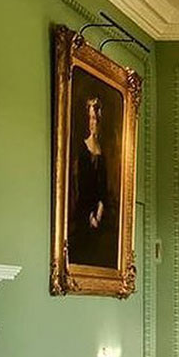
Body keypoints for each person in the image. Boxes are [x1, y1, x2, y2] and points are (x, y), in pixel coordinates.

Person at [68, 95, 115, 268]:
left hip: (99, 211)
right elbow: (82, 185)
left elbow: (103, 187)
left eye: (94, 118)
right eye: (89, 118)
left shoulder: (104, 151)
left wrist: (99, 212)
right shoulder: (82, 148)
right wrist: (89, 215)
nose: (91, 122)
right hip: (83, 210)